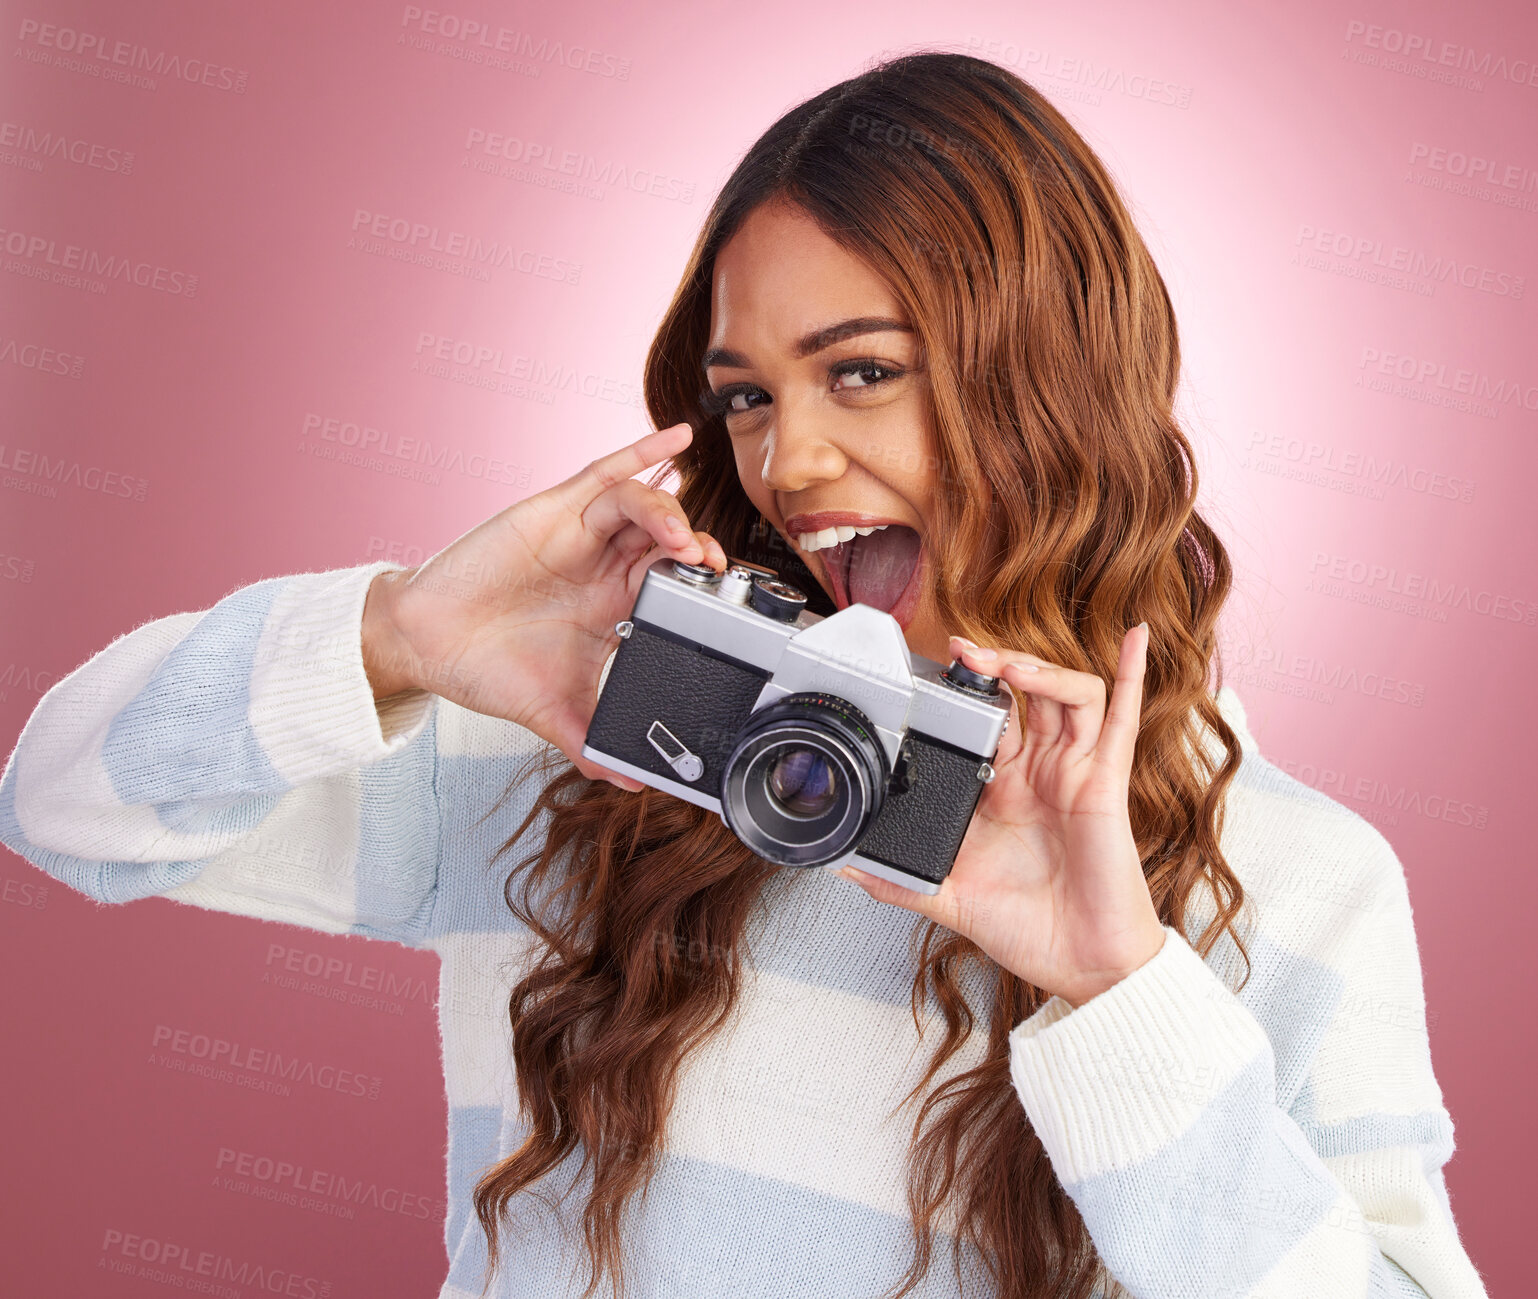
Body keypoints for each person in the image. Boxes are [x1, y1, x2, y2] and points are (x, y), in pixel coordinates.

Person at [0, 49, 1487, 1299]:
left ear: (1050, 382)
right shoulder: (596, 755)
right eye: (743, 400)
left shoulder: (1291, 881)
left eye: (859, 371)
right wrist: (392, 635)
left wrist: (1115, 993)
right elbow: (61, 803)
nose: (786, 463)